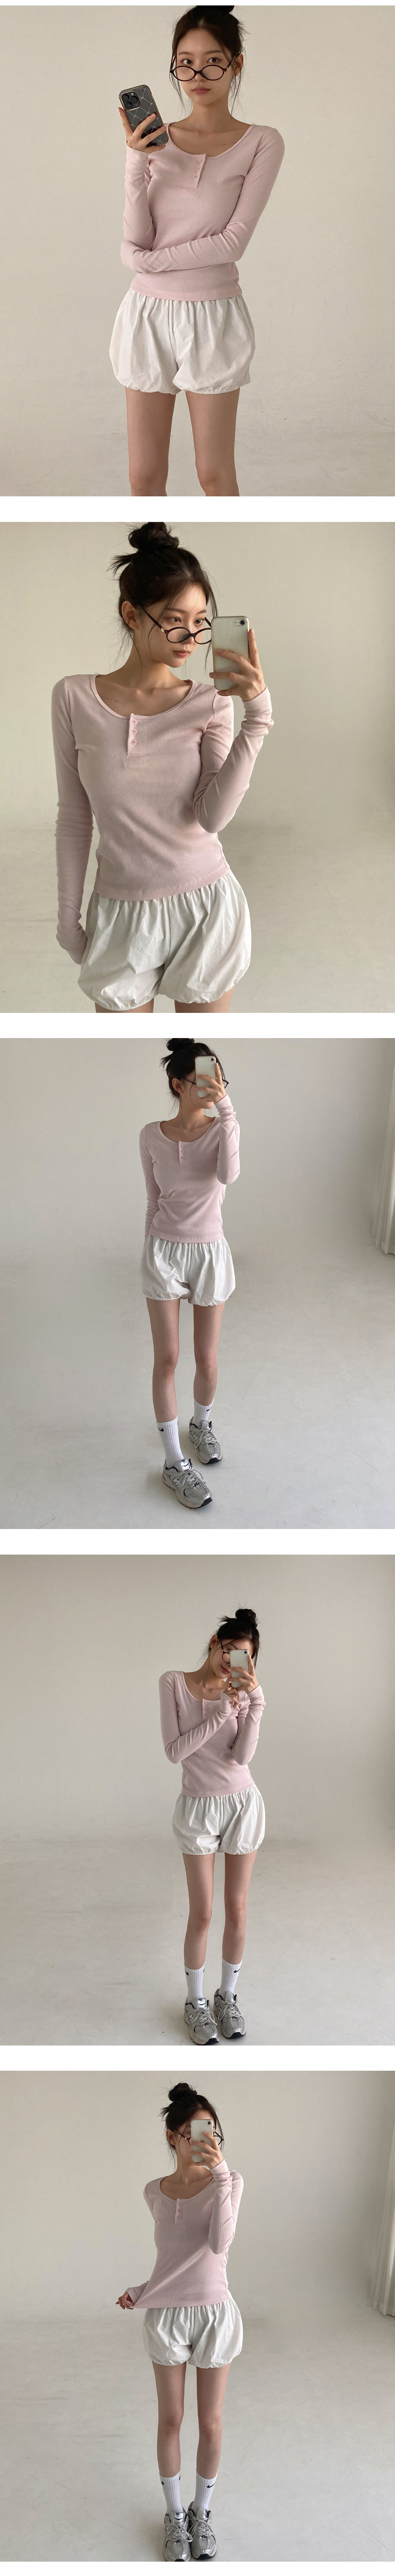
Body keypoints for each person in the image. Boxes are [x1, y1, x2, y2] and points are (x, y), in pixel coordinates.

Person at [52, 522, 273, 1013]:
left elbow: (212, 818)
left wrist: (257, 718)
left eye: (201, 622)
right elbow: (74, 817)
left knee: (202, 1040)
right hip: (120, 914)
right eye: (175, 620)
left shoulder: (211, 702)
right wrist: (68, 919)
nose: (191, 637)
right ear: (132, 614)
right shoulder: (73, 698)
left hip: (206, 908)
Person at [110, 5, 285, 496]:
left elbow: (233, 242)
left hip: (212, 316)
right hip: (146, 314)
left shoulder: (262, 143)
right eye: (185, 64)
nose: (198, 76)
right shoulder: (157, 142)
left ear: (236, 64)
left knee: (214, 472)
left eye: (212, 62)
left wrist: (149, 263)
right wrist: (135, 160)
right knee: (144, 476)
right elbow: (137, 238)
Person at [117, 2080, 244, 2561]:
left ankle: (201, 2512)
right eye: (194, 2131)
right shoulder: (155, 2192)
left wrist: (221, 2175)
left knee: (211, 2422)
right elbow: (173, 2263)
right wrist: (142, 2291)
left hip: (214, 2315)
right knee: (171, 2418)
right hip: (167, 2316)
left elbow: (218, 2245)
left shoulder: (230, 2183)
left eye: (212, 2130)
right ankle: (174, 2515)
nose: (205, 2139)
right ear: (173, 2136)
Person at [140, 1040, 239, 1508]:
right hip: (163, 1252)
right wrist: (149, 1249)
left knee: (207, 1359)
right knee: (168, 1358)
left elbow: (230, 1176)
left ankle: (201, 1423)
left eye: (219, 1080)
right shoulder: (150, 1135)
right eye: (203, 1081)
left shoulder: (224, 1130)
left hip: (210, 1253)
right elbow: (153, 1200)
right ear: (178, 1085)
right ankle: (173, 1463)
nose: (214, 1088)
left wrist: (227, 1109)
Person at [160, 1607, 265, 2039]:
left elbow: (242, 1758)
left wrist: (255, 1704)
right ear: (214, 1643)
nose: (231, 1661)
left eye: (244, 1656)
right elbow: (174, 1752)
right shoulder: (173, 1683)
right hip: (198, 1808)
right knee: (202, 1912)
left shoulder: (242, 1694)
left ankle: (228, 1997)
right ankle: (196, 2002)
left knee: (237, 1909)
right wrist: (221, 1713)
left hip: (242, 1803)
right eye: (229, 1650)